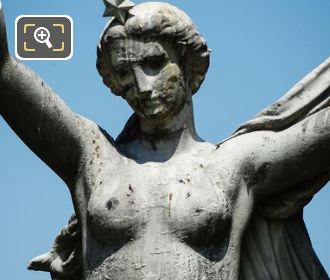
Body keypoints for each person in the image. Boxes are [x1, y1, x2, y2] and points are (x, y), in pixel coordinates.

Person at [1, 2, 330, 280]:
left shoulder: (234, 165)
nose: (142, 86)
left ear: (189, 64)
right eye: (124, 72)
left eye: (155, 63)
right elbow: (4, 73)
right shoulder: (94, 156)